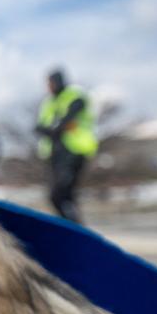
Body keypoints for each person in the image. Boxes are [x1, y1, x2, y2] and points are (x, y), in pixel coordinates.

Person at [35, 68, 98, 223]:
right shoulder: (48, 102)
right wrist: (55, 128)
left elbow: (68, 118)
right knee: (64, 196)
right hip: (54, 153)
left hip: (74, 150)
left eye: (50, 82)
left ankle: (75, 226)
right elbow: (38, 126)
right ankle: (73, 226)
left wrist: (55, 128)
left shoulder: (75, 95)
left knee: (59, 193)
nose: (48, 86)